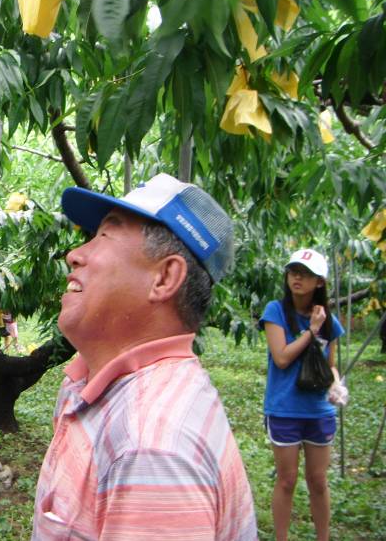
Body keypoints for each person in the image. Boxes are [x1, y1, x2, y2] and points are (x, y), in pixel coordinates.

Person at [33, 173, 257, 540]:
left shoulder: (152, 449)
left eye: (105, 235)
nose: (74, 254)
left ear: (164, 278)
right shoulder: (94, 383)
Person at [261, 248, 345, 541]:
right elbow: (282, 357)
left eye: (306, 273)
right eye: (293, 271)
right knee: (286, 480)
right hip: (284, 409)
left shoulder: (329, 321)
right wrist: (311, 331)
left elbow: (330, 365)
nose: (297, 277)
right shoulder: (275, 311)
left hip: (318, 411)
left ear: (319, 282)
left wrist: (336, 384)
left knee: (319, 481)